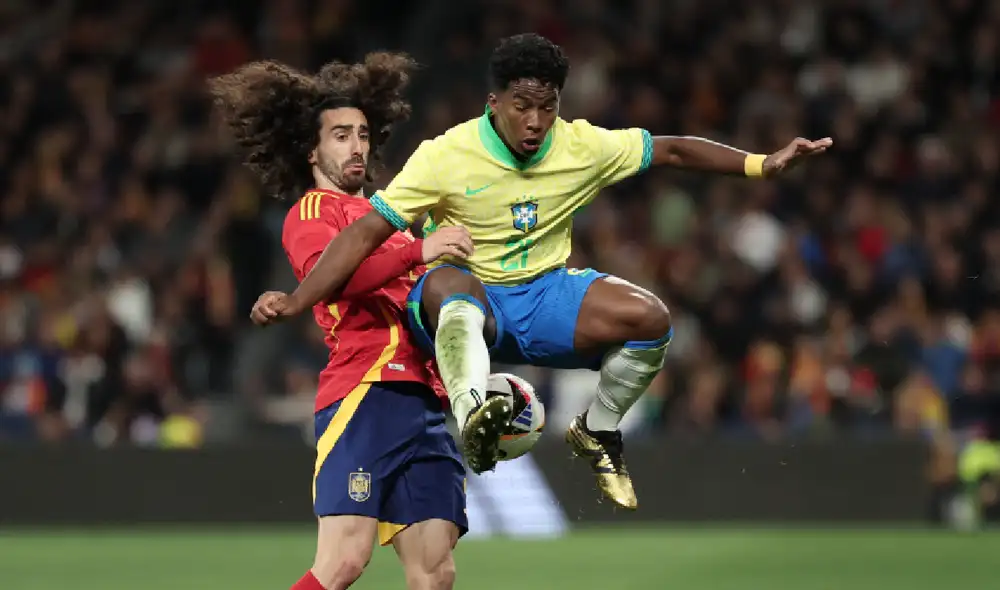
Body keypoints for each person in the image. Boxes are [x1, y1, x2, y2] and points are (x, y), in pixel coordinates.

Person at [249, 34, 832, 510]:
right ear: (494, 102)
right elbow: (362, 235)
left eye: (546, 106)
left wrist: (761, 164)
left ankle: (597, 430)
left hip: (544, 298)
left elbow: (671, 149)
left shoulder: (581, 147)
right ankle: (472, 414)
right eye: (521, 106)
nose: (535, 121)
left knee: (651, 320)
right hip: (465, 302)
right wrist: (299, 299)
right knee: (452, 281)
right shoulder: (446, 155)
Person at [210, 53, 474, 590]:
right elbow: (332, 281)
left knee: (435, 572)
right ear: (311, 150)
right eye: (340, 135)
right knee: (344, 561)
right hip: (366, 391)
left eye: (363, 134)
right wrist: (419, 251)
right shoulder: (313, 212)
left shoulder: (389, 220)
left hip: (424, 399)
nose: (356, 146)